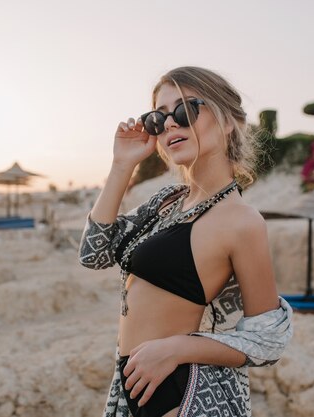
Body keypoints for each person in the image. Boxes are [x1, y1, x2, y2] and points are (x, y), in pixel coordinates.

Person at [78, 66, 293, 417]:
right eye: (158, 118)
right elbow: (94, 254)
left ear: (227, 122)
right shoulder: (165, 202)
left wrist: (177, 348)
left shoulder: (242, 221)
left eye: (186, 109)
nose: (171, 124)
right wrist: (121, 166)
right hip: (134, 386)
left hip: (184, 393)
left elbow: (267, 339)